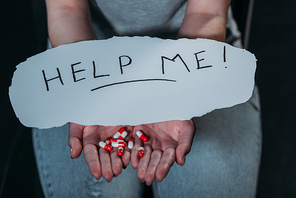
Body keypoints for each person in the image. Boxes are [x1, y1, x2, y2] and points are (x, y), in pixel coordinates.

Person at [32, 0, 262, 197]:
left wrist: (180, 91)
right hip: (83, 54)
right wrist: (91, 89)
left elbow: (207, 12)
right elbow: (66, 10)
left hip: (196, 52)